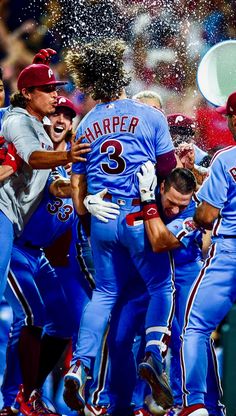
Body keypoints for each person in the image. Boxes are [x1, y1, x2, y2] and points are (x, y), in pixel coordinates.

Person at [62, 38, 177, 413]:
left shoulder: (86, 122)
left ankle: (80, 366)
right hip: (137, 215)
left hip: (101, 219)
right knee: (162, 285)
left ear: (91, 80)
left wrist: (89, 204)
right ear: (121, 73)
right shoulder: (151, 115)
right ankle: (154, 352)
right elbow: (167, 171)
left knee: (105, 295)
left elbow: (78, 195)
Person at [0, 95, 91, 416]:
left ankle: (31, 391)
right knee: (30, 317)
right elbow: (58, 187)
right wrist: (84, 188)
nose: (61, 119)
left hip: (39, 256)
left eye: (68, 115)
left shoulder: (75, 163)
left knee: (65, 322)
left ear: (73, 126)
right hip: (16, 248)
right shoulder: (38, 158)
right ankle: (11, 399)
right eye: (56, 112)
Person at [0, 49, 90, 301]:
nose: (55, 95)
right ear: (27, 94)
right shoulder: (19, 120)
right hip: (3, 211)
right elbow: (34, 158)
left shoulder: (36, 124)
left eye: (55, 88)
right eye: (47, 89)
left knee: (51, 316)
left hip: (16, 222)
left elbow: (51, 181)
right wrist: (69, 157)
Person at [177, 91, 236, 416]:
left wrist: (201, 197)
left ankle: (197, 404)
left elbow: (206, 218)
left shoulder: (227, 159)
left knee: (196, 326)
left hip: (229, 250)